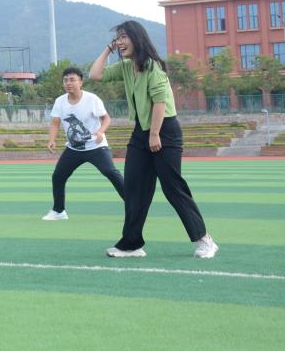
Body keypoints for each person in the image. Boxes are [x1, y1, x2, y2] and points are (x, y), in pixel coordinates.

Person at [89, 20, 218, 258]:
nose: (120, 42)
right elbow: (95, 74)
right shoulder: (126, 67)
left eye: (124, 37)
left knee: (172, 187)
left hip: (164, 130)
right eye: (118, 38)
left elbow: (160, 102)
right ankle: (131, 244)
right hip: (141, 132)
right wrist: (108, 49)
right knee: (134, 188)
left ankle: (204, 239)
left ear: (137, 38)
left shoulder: (153, 67)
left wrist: (155, 134)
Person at [42, 66, 124, 221]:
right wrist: (52, 140)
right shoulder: (60, 101)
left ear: (81, 82)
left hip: (96, 146)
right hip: (74, 148)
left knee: (110, 172)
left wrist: (100, 132)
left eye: (72, 80)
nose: (68, 83)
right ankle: (59, 211)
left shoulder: (92, 99)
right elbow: (55, 123)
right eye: (65, 80)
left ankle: (133, 204)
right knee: (58, 176)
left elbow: (106, 119)